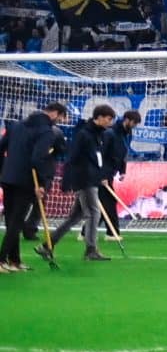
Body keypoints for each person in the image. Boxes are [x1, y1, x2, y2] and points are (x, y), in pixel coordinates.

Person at [1, 100, 65, 272]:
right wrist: (43, 183)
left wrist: (3, 171)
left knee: (11, 221)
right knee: (16, 223)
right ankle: (1, 260)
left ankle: (14, 260)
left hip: (8, 179)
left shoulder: (16, 126)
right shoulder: (47, 132)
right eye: (59, 118)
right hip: (26, 181)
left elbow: (1, 147)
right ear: (54, 114)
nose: (58, 121)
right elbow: (38, 158)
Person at [50, 105, 116, 262]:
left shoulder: (99, 135)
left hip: (91, 178)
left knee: (75, 217)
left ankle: (48, 243)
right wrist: (69, 179)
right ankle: (91, 250)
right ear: (99, 117)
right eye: (108, 118)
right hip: (85, 180)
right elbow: (72, 157)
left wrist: (100, 174)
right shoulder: (84, 134)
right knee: (94, 213)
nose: (110, 122)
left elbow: (96, 158)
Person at [98, 110, 140, 241]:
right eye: (134, 123)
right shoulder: (109, 133)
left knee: (100, 204)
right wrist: (102, 175)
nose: (134, 126)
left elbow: (124, 153)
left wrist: (123, 170)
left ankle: (85, 231)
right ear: (127, 120)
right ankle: (112, 233)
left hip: (110, 173)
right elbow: (101, 155)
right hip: (102, 174)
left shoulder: (126, 135)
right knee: (109, 202)